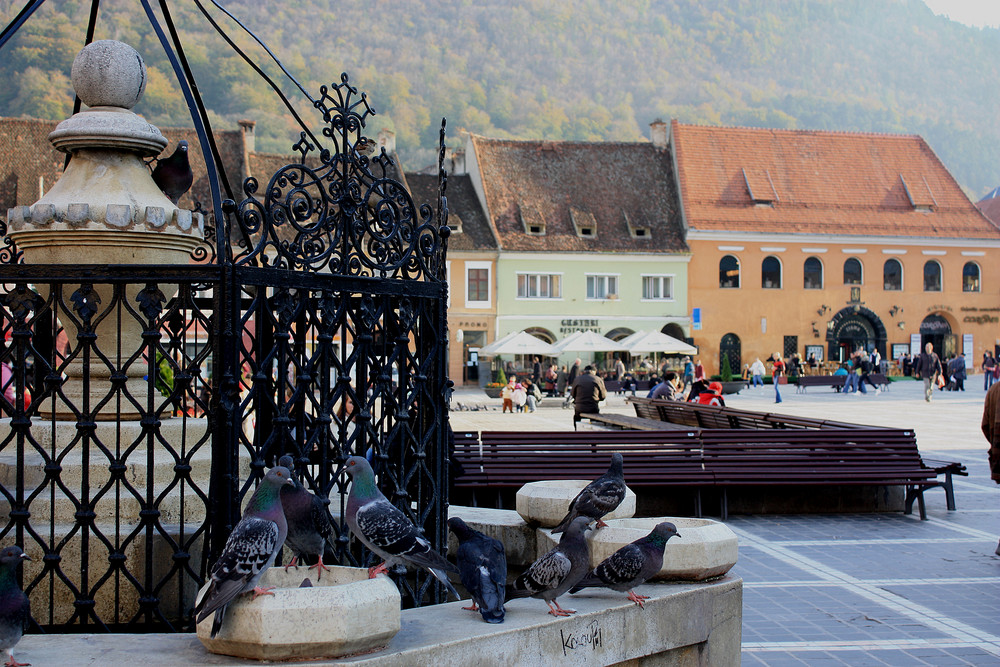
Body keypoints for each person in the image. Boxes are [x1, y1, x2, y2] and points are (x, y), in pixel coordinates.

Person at [571, 365, 607, 430]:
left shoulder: (577, 379)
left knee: (576, 417)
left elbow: (573, 394)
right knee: (595, 417)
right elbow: (603, 396)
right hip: (593, 407)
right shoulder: (598, 379)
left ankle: (576, 431)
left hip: (580, 408)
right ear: (594, 372)